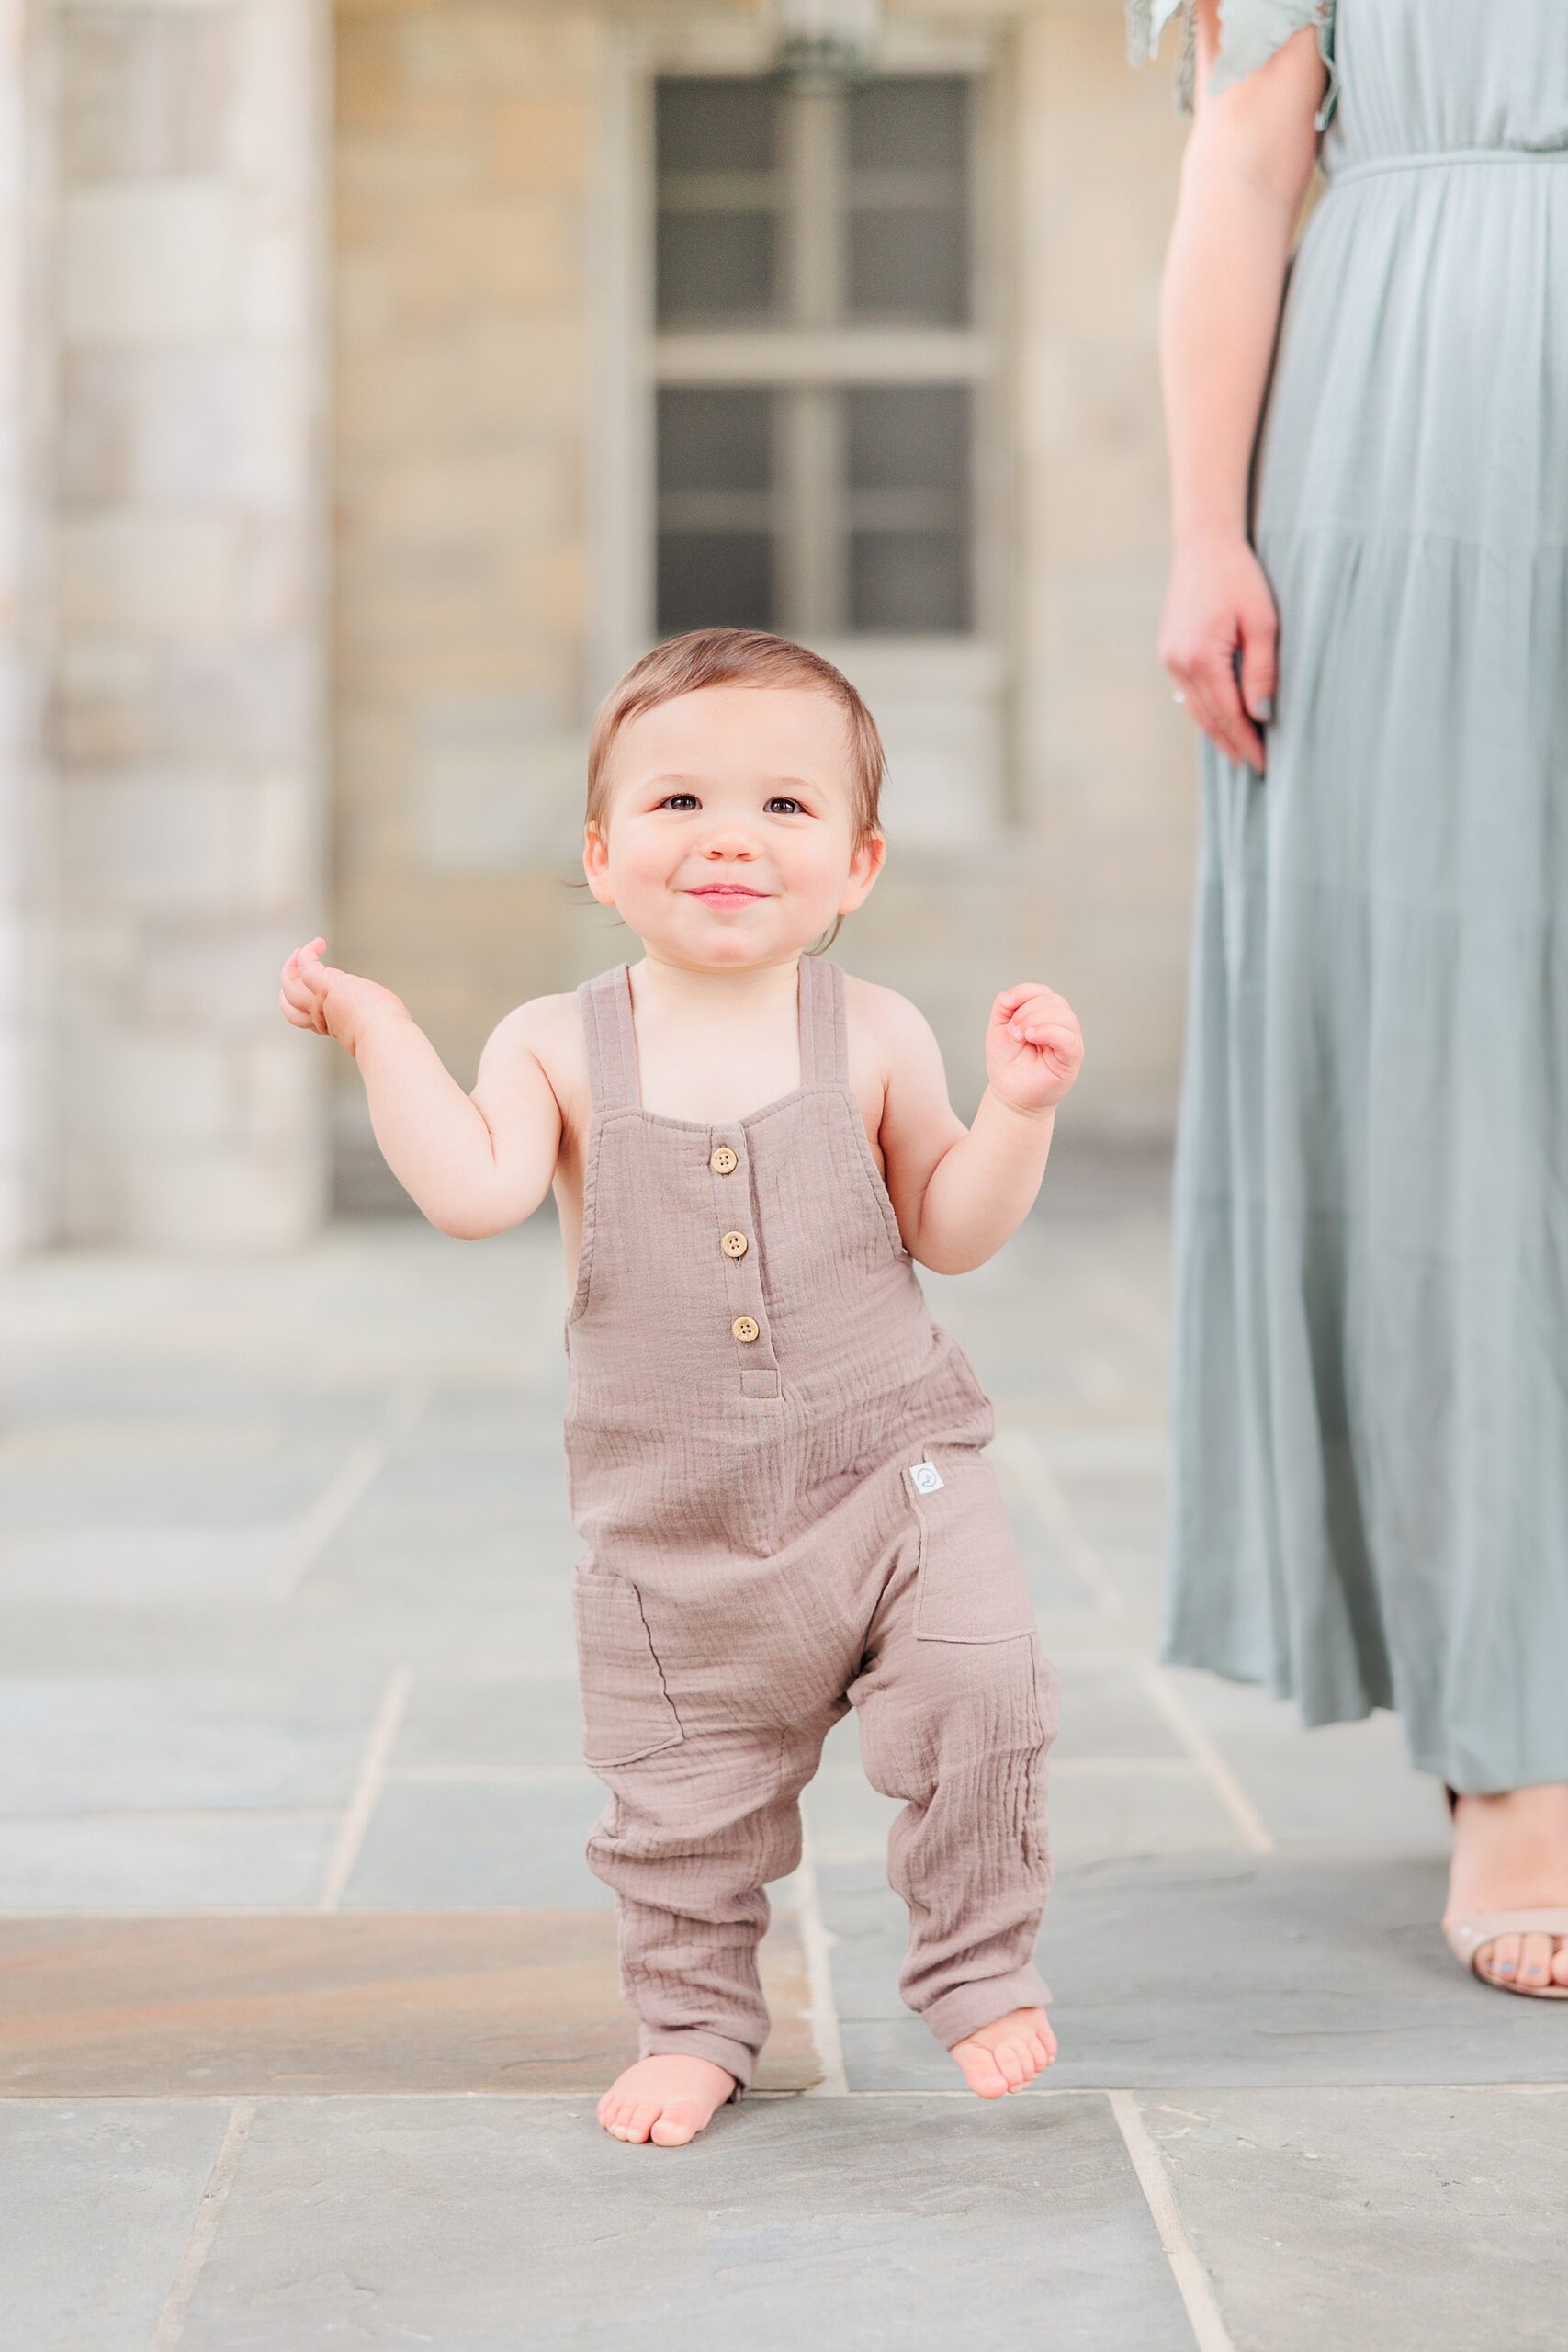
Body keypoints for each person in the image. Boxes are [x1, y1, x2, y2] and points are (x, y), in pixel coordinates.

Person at [279, 627, 1085, 2141]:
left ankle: (978, 1967)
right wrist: (384, 1034)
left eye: (786, 807)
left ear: (858, 866)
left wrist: (1018, 1114)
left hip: (899, 1474)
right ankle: (699, 2023)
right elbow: (468, 1190)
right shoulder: (553, 1046)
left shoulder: (881, 1032)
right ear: (599, 855)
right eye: (676, 804)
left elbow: (952, 1230)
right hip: (677, 1531)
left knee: (986, 1686)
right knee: (682, 1802)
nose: (729, 835)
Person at [1133, 0, 1568, 1995]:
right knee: (1449, 1080)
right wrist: (1203, 529)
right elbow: (1240, 156)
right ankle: (1517, 1748)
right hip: (1416, 447)